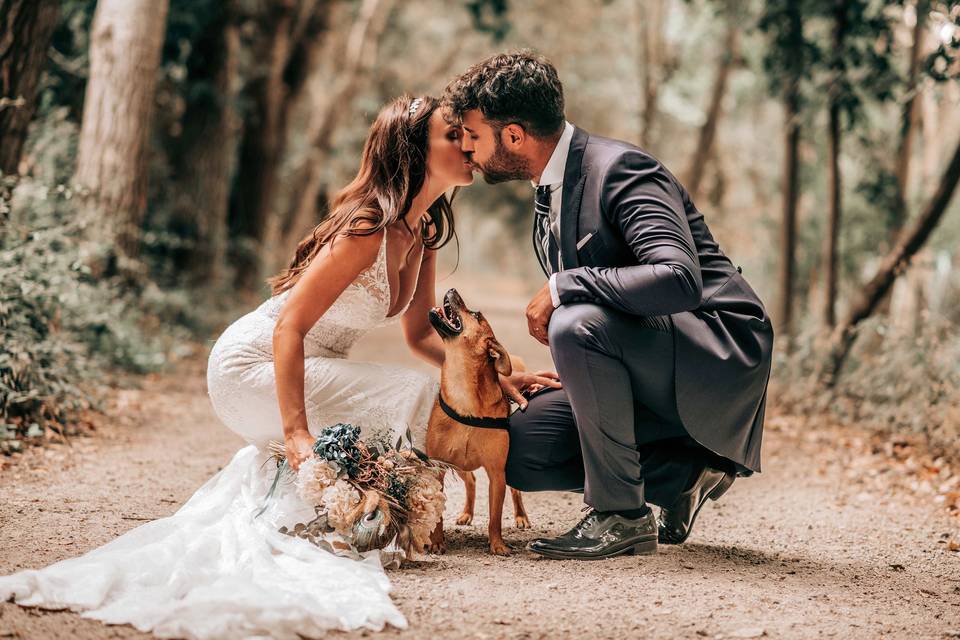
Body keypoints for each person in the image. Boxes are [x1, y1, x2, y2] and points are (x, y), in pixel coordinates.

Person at [0, 95, 558, 638]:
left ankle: (386, 513)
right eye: (452, 134)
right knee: (409, 396)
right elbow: (289, 327)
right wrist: (295, 433)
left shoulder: (425, 231)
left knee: (405, 392)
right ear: (414, 152)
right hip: (252, 364)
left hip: (308, 364)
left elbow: (418, 336)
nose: (467, 143)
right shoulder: (365, 229)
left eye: (466, 134)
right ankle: (417, 516)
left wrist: (497, 378)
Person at [443, 50, 775, 560]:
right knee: (519, 446)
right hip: (656, 356)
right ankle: (681, 473)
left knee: (574, 322)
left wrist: (564, 286)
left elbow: (678, 278)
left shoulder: (621, 170)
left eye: (473, 135)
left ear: (513, 135)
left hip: (717, 348)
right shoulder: (550, 189)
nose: (467, 148)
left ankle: (620, 515)